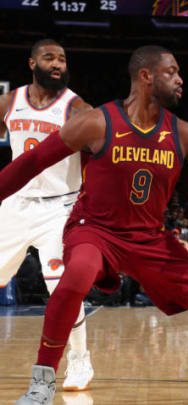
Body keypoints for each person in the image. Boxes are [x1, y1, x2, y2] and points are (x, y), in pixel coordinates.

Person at [2, 45, 188, 405]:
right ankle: (42, 385)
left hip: (150, 239)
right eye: (172, 71)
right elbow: (32, 161)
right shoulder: (96, 122)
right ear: (146, 76)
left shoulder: (185, 134)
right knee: (74, 279)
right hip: (95, 230)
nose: (180, 79)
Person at [0, 39, 94, 391]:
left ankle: (81, 362)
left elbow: (104, 147)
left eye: (62, 59)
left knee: (63, 289)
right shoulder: (10, 103)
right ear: (32, 63)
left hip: (61, 207)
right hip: (15, 204)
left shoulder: (77, 107)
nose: (57, 64)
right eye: (49, 58)